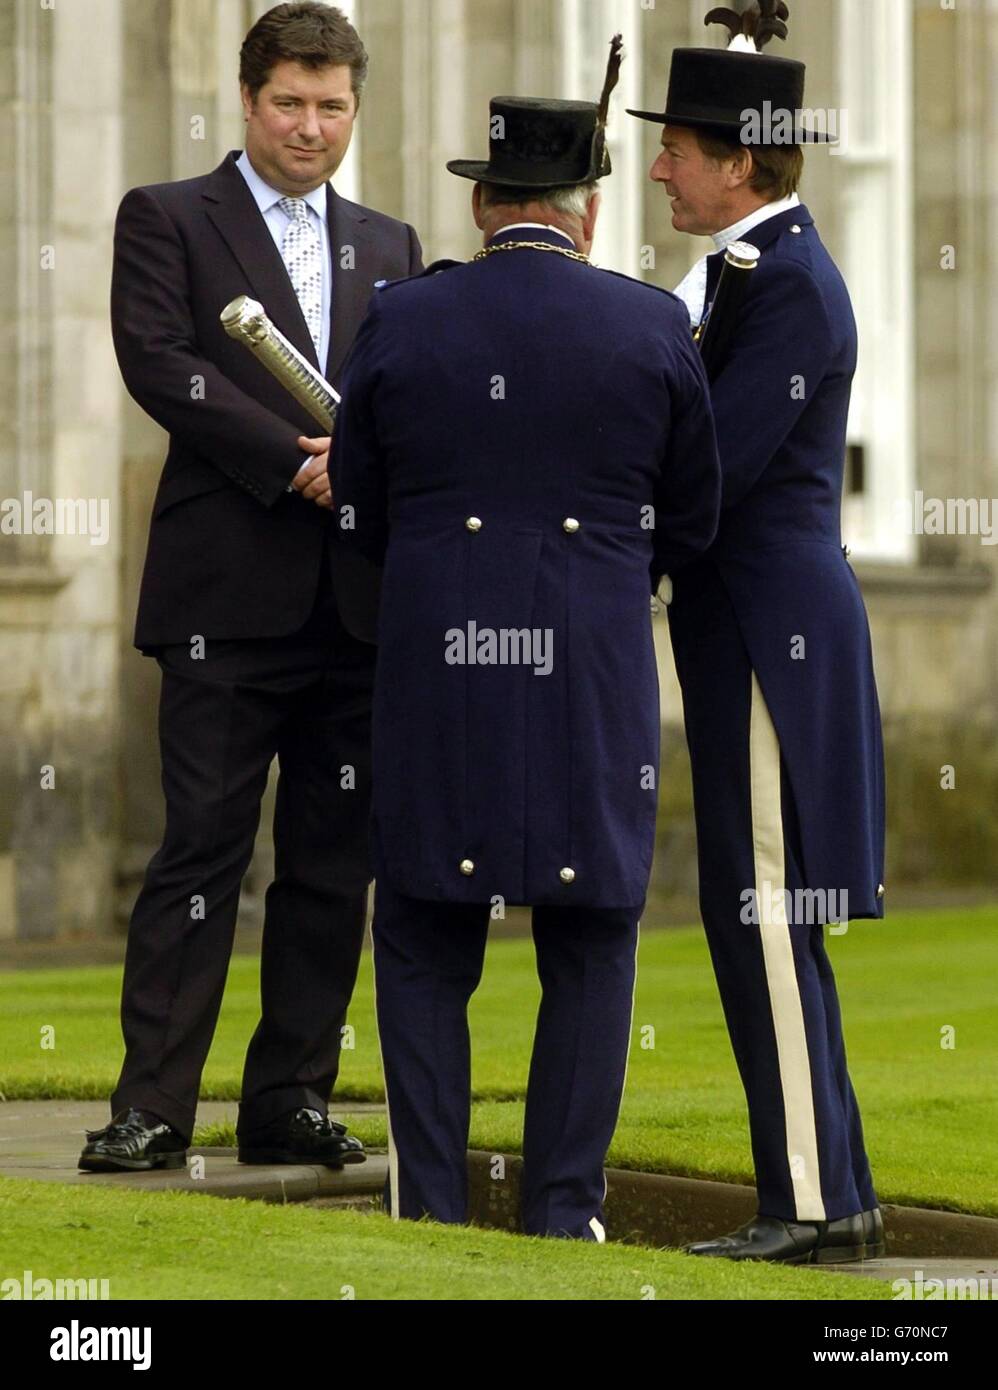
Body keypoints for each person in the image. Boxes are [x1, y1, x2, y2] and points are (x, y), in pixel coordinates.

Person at [330, 84, 722, 1239]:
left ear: (485, 204)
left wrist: (394, 626)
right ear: (585, 212)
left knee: (418, 934)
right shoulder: (651, 325)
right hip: (590, 676)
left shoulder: (401, 319)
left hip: (433, 671)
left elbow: (355, 510)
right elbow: (691, 521)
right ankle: (561, 1208)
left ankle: (431, 1204)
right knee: (591, 934)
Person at [80, 1, 423, 1175]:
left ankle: (288, 1096)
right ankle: (152, 1108)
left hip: (357, 604)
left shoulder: (391, 243)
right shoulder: (170, 217)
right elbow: (160, 367)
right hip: (222, 602)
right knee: (200, 852)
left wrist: (362, 463)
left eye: (331, 106)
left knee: (332, 865)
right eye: (290, 102)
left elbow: (404, 397)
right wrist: (297, 460)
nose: (309, 127)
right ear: (247, 97)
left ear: (353, 110)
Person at [626, 1, 887, 1262]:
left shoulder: (783, 285)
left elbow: (708, 474)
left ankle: (806, 1201)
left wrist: (588, 537)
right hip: (748, 629)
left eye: (675, 146)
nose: (659, 166)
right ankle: (834, 1184)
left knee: (768, 908)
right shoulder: (747, 273)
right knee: (758, 912)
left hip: (772, 639)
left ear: (737, 161)